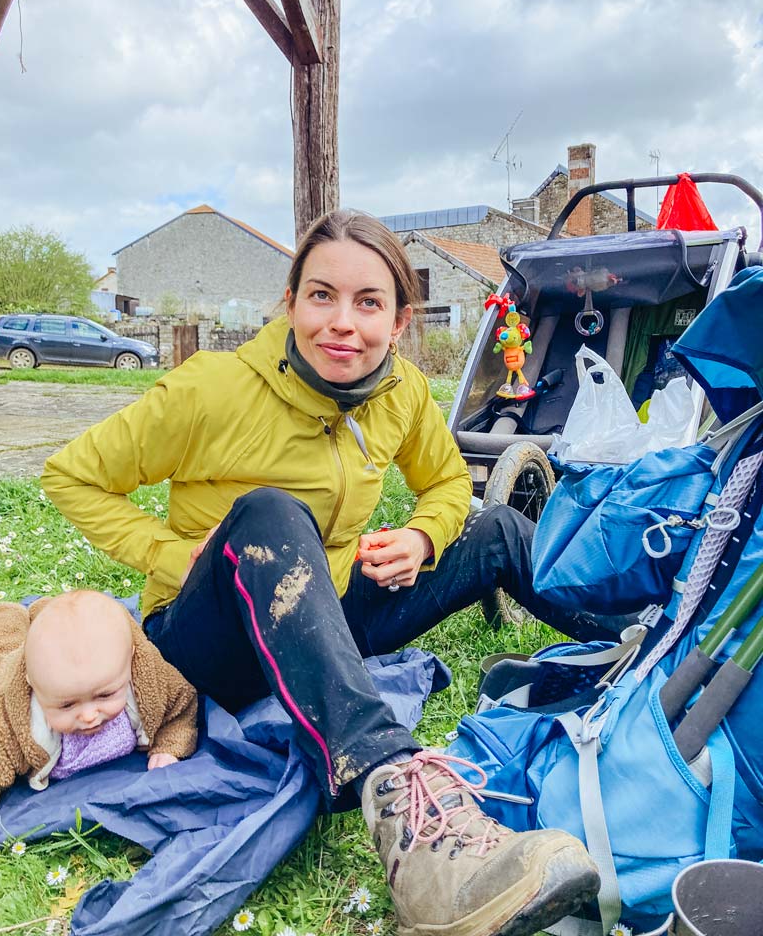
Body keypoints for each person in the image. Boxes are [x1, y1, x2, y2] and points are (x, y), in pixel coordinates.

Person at [41, 210, 599, 936]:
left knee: (495, 529)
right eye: (321, 296)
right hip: (206, 644)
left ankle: (662, 649)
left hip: (325, 617)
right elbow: (70, 477)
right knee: (271, 512)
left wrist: (425, 540)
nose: (342, 323)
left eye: (368, 303)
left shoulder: (401, 393)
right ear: (292, 302)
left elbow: (447, 485)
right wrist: (175, 555)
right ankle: (406, 813)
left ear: (399, 321)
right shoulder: (210, 389)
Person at [0, 589, 197, 804]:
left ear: (128, 665)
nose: (89, 715)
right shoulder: (13, 719)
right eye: (67, 705)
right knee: (5, 645)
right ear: (33, 686)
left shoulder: (148, 681)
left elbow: (180, 705)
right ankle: (8, 614)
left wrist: (169, 746)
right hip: (4, 666)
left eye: (105, 695)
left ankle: (46, 609)